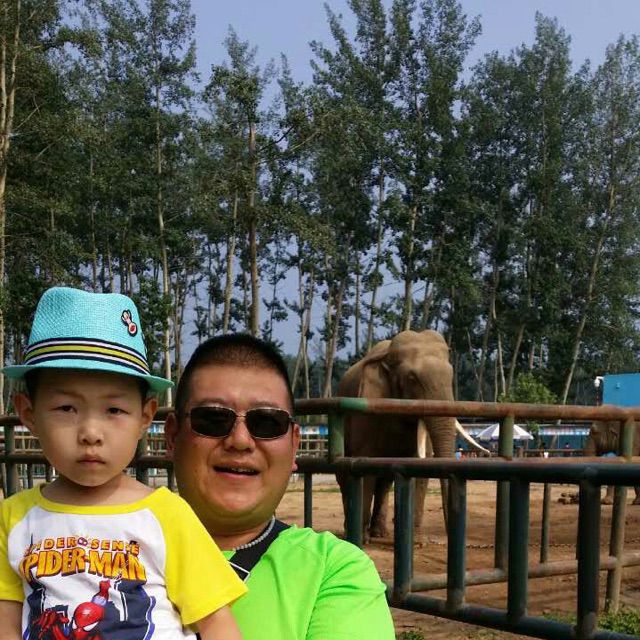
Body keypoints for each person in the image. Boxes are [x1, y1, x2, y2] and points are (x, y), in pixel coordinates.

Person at [0, 287, 246, 640]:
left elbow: (217, 624)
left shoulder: (168, 515)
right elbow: (6, 623)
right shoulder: (14, 520)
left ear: (144, 417)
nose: (91, 433)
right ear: (28, 414)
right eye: (66, 408)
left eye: (114, 410)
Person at [165, 334, 396, 640]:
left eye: (267, 423)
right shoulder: (111, 546)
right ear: (172, 436)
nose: (240, 441)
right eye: (213, 419)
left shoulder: (333, 570)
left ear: (294, 445)